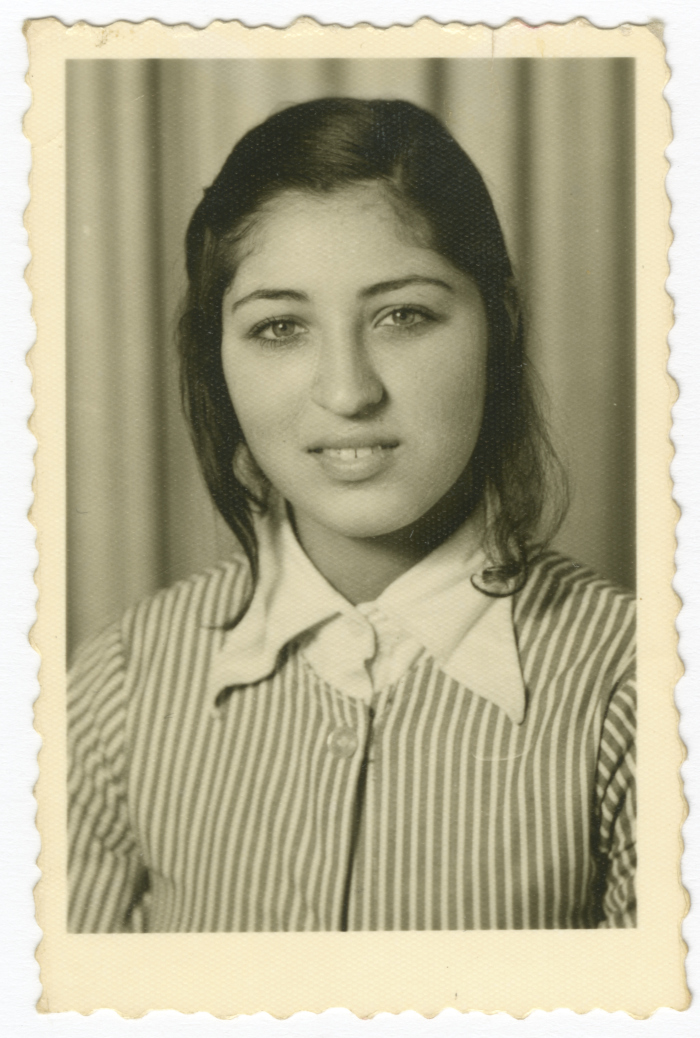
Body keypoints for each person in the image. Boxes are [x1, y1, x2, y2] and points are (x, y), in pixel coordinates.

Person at [68, 98, 636, 933]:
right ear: (214, 359)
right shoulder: (121, 684)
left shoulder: (638, 687)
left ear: (499, 325)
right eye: (279, 327)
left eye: (403, 316)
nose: (347, 392)